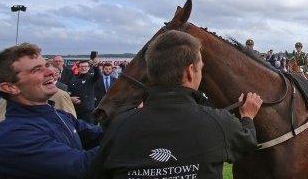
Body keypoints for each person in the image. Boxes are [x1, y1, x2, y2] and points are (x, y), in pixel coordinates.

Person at [88, 30, 262, 178]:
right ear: (189, 72)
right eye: (200, 67)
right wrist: (247, 116)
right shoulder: (218, 122)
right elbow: (247, 142)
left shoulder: (120, 126)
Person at [0, 43, 102, 179]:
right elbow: (84, 166)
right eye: (36, 70)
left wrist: (128, 124)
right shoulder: (14, 136)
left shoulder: (58, 114)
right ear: (10, 87)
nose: (51, 71)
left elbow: (97, 135)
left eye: (46, 65)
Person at [68, 59, 102, 123]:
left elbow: (98, 75)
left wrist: (96, 66)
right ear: (78, 68)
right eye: (81, 67)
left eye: (85, 66)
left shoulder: (91, 78)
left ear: (89, 68)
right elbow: (69, 92)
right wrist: (70, 98)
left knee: (88, 130)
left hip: (88, 112)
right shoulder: (73, 79)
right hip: (75, 110)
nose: (84, 68)